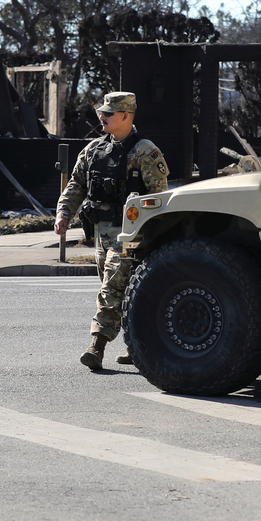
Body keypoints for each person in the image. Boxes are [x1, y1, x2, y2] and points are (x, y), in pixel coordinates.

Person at [54, 91, 169, 370]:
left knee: (111, 290)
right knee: (129, 294)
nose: (102, 117)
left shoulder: (145, 152)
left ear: (126, 115)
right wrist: (63, 215)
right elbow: (76, 186)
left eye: (108, 113)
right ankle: (139, 347)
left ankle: (97, 346)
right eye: (101, 112)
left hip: (131, 237)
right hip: (101, 236)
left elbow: (161, 199)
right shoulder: (94, 150)